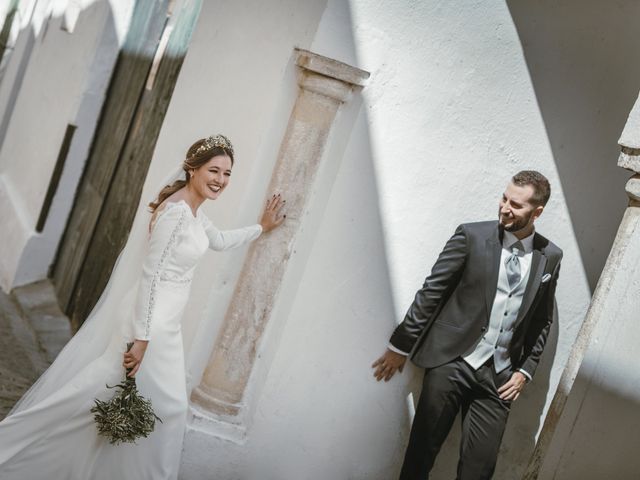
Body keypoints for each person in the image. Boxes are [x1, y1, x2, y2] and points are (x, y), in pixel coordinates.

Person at [0, 134, 285, 479]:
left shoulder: (194, 212)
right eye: (214, 170)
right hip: (150, 322)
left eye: (227, 174)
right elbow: (151, 277)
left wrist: (261, 227)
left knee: (112, 396)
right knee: (162, 405)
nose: (220, 181)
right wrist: (143, 337)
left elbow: (221, 241)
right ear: (192, 169)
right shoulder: (176, 214)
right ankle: (14, 444)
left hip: (165, 322)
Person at [372, 170, 562, 479]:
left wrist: (526, 370)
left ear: (537, 212)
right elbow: (432, 292)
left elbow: (543, 319)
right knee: (420, 456)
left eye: (516, 205)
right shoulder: (472, 236)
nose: (504, 208)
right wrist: (400, 346)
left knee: (479, 469)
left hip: (500, 377)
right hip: (452, 362)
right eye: (504, 198)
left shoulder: (550, 256)